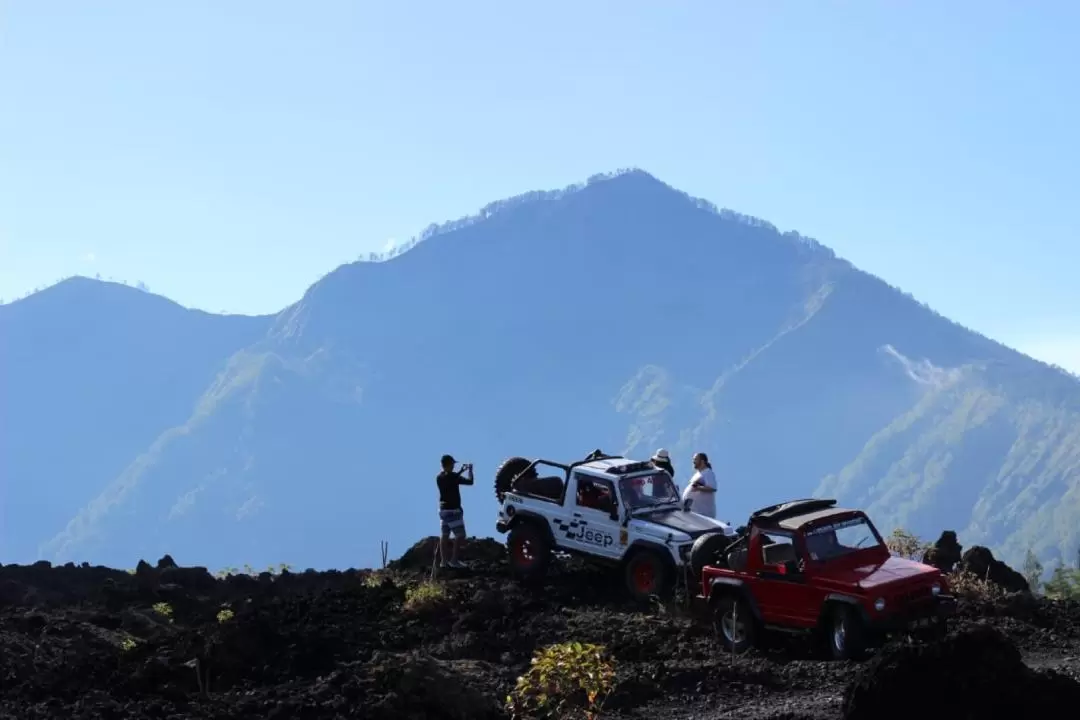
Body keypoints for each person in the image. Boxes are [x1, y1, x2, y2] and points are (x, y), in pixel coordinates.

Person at [436, 454, 474, 568]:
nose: (453, 466)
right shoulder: (445, 477)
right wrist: (465, 471)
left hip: (444, 511)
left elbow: (466, 481)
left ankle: (444, 562)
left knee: (445, 534)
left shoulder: (443, 477)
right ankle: (454, 561)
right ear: (448, 464)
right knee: (461, 535)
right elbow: (453, 480)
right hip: (452, 511)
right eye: (452, 464)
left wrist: (465, 471)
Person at [681, 451, 717, 517]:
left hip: (703, 514)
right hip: (693, 512)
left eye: (695, 459)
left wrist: (698, 488)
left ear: (702, 461)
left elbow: (712, 488)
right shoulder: (698, 474)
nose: (693, 461)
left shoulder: (708, 472)